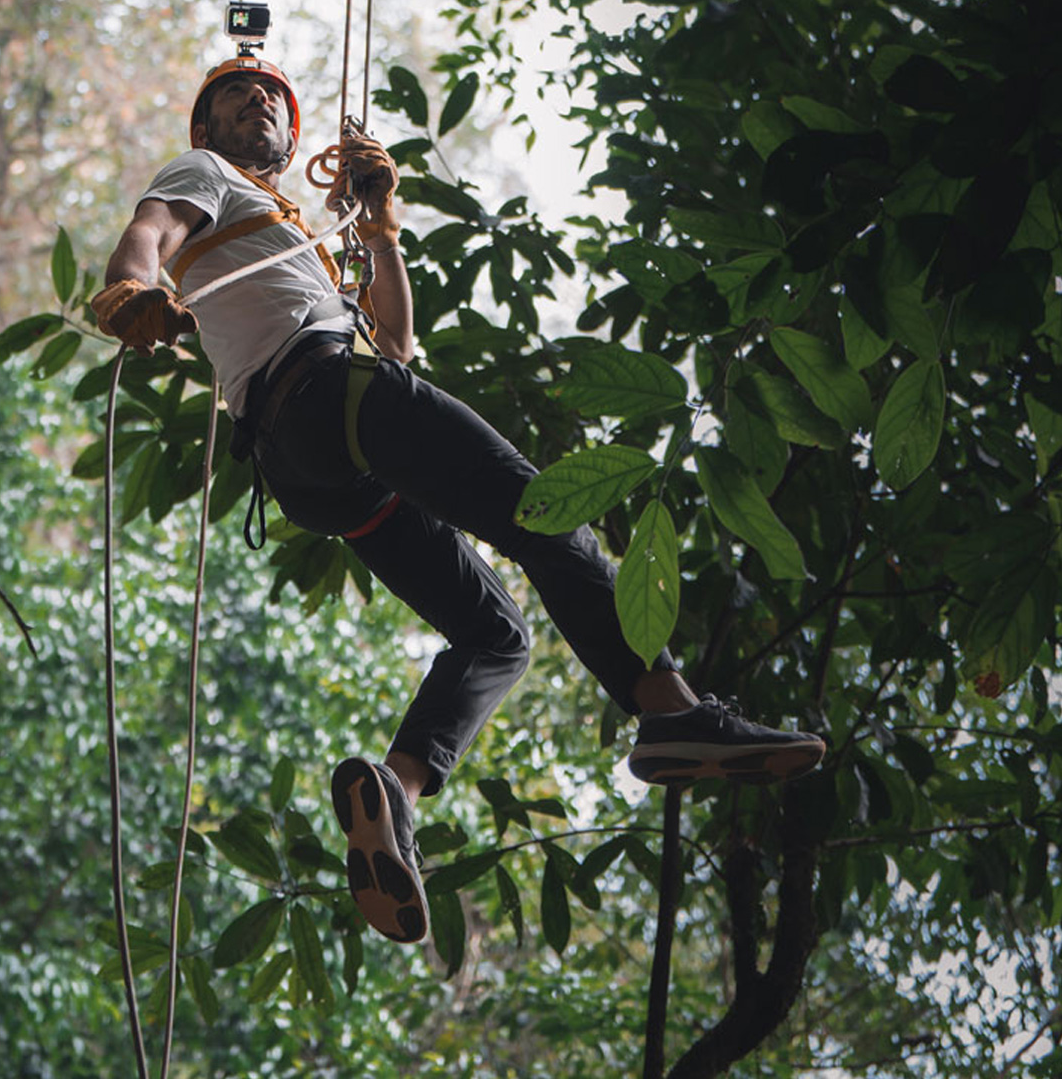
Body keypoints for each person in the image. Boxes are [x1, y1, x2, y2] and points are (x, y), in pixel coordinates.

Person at [93, 55, 825, 945]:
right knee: (551, 515)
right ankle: (669, 709)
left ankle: (393, 796)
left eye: (272, 102)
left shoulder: (298, 239)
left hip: (315, 465)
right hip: (329, 395)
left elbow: (396, 344)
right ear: (205, 130)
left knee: (496, 634)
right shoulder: (202, 174)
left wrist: (384, 229)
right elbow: (154, 225)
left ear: (291, 142)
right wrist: (134, 283)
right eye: (235, 98)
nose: (258, 105)